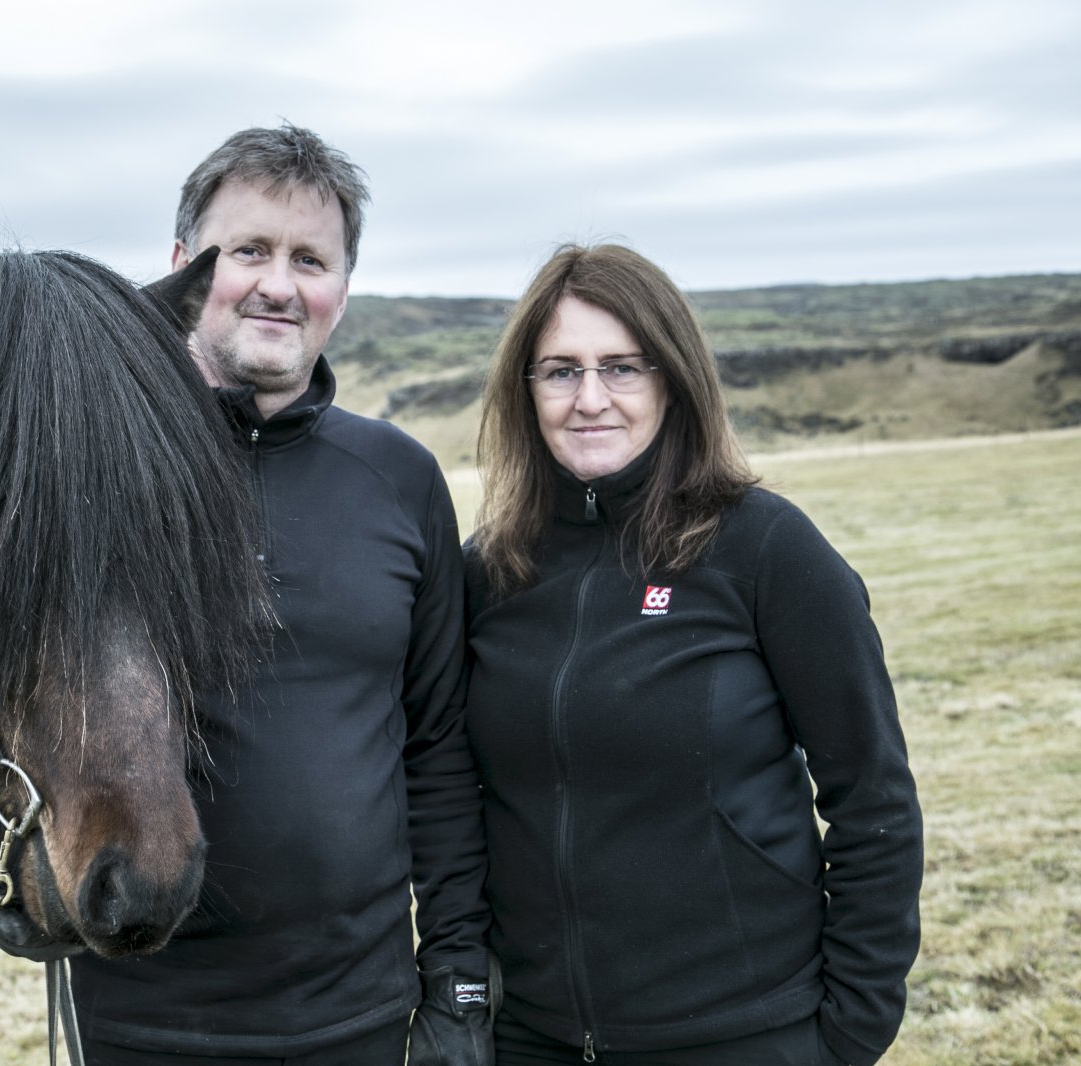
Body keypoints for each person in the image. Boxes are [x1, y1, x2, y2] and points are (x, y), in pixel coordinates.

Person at [66, 124, 494, 1065]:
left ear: (342, 288)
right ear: (183, 265)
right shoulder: (96, 476)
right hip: (144, 1020)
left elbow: (439, 744)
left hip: (363, 1016)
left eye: (311, 258)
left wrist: (459, 985)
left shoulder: (398, 479)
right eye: (248, 249)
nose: (278, 282)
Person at [464, 244, 923, 1066]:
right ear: (524, 390)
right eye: (560, 371)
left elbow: (874, 800)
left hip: (743, 1033)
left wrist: (848, 1031)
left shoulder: (765, 549)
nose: (590, 398)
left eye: (622, 368)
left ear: (672, 380)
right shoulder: (490, 572)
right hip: (534, 1037)